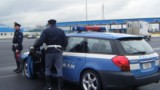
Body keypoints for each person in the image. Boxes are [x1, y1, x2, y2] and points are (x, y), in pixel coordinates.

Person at [34, 19, 68, 90]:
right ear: (55, 24)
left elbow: (41, 41)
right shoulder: (61, 31)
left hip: (49, 52)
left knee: (47, 68)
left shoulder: (46, 31)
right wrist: (62, 48)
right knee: (59, 69)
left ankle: (48, 86)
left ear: (49, 24)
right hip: (58, 52)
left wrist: (35, 46)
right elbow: (65, 42)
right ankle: (60, 88)